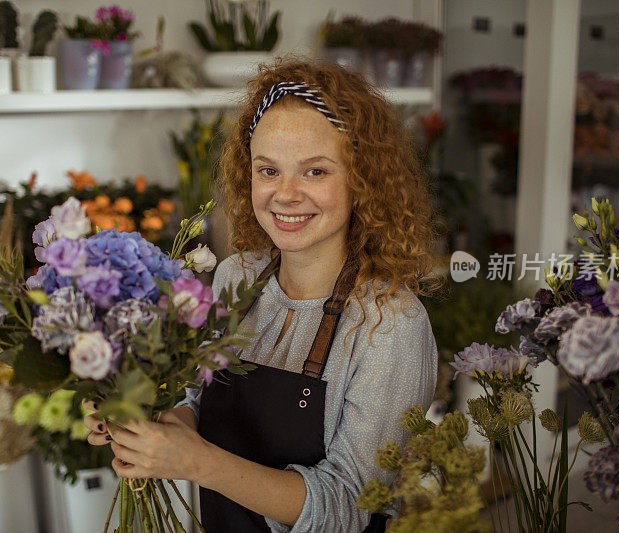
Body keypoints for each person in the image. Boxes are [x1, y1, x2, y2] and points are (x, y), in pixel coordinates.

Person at [84, 56, 442, 532]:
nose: (286, 194)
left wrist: (196, 463)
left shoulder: (390, 322)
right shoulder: (237, 277)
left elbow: (349, 506)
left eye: (315, 172)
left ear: (363, 181)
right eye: (268, 170)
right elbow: (197, 399)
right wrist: (144, 424)